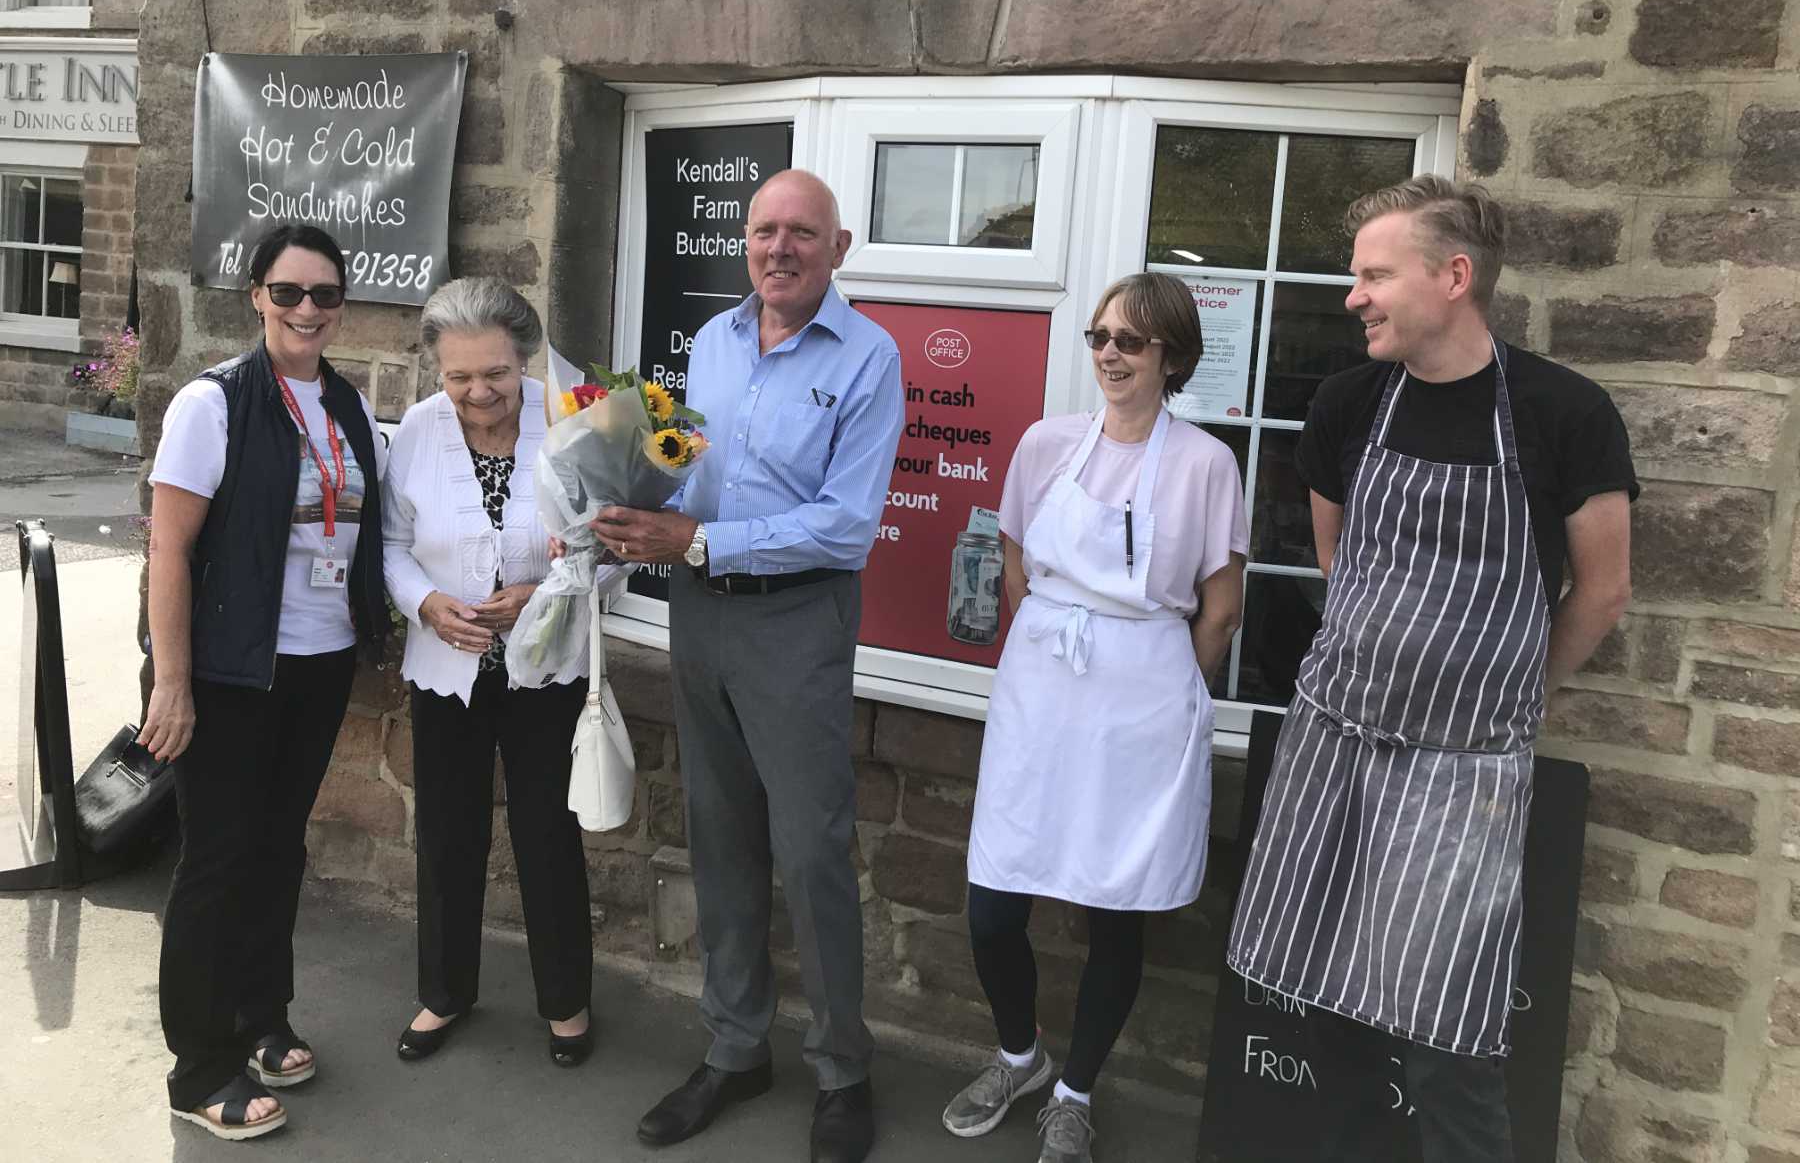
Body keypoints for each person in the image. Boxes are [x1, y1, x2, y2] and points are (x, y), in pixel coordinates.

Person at [1227, 176, 1636, 1162]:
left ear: (1454, 277)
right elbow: (1344, 564)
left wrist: (1507, 694)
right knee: (1325, 1000)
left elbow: (1602, 591)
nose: (1353, 296)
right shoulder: (1348, 403)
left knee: (1451, 1037)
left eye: (1374, 274)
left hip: (1464, 770)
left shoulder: (1562, 413)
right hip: (1334, 742)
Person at [593, 169, 903, 1163]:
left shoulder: (870, 358)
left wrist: (693, 540)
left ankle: (843, 1071)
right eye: (765, 230)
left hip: (794, 623)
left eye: (802, 234)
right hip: (700, 616)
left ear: (838, 247)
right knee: (720, 837)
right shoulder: (713, 343)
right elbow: (697, 469)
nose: (781, 248)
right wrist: (629, 484)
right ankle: (735, 1048)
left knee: (811, 854)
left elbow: (847, 525)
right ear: (745, 242)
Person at [942, 273, 1247, 1163]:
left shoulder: (1205, 463)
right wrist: (1051, 653)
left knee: (1120, 904)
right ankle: (1019, 1055)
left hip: (1140, 701)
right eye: (1100, 337)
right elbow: (1013, 560)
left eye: (1132, 341)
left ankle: (1074, 1091)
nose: (1110, 354)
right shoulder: (1045, 444)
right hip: (1042, 691)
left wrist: (1159, 689)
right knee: (995, 901)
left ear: (1172, 358)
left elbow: (1219, 608)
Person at [142, 222, 390, 1141]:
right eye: (288, 293)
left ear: (342, 307)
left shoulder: (348, 408)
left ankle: (259, 1018)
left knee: (278, 847)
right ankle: (197, 1066)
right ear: (257, 297)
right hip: (229, 670)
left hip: (318, 664)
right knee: (216, 862)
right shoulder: (214, 404)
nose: (307, 311)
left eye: (325, 295)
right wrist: (174, 682)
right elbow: (167, 547)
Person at [381, 277, 600, 1067]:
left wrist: (549, 591)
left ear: (526, 361)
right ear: (438, 374)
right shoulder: (417, 429)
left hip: (548, 673)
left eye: (497, 374)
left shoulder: (576, 422)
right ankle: (444, 994)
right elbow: (391, 545)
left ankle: (566, 1003)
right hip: (448, 669)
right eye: (459, 376)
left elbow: (610, 552)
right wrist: (426, 602)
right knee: (447, 834)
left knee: (548, 836)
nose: (479, 393)